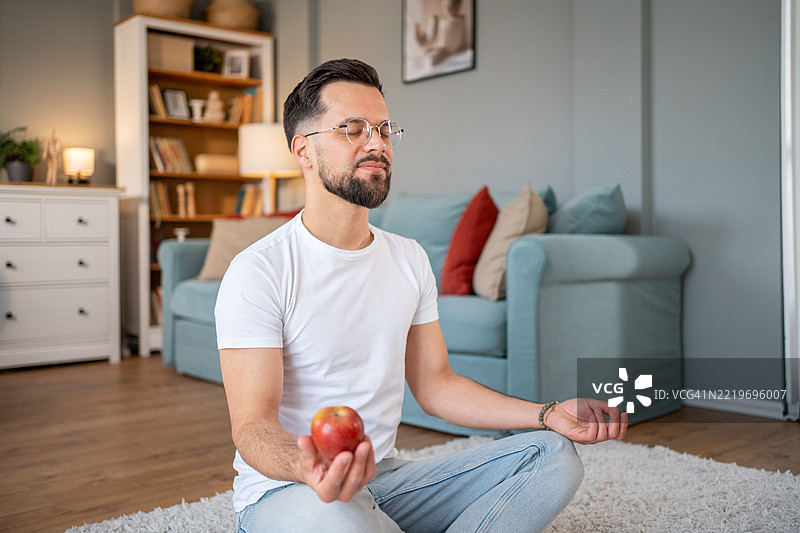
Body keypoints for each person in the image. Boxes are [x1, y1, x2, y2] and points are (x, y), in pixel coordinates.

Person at [216, 58, 628, 533]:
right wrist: (310, 467)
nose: (376, 143)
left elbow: (436, 386)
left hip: (385, 481)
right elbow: (253, 426)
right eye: (352, 128)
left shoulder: (408, 259)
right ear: (303, 150)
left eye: (384, 128)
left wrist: (547, 413)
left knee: (554, 456)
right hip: (290, 491)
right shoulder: (259, 270)